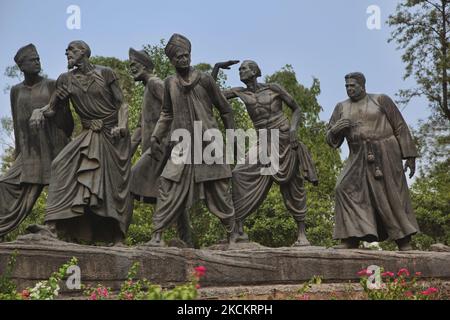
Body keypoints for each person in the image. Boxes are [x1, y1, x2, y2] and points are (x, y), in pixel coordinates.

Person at [30, 40, 133, 244]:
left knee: (112, 184)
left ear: (84, 52)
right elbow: (51, 110)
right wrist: (40, 111)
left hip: (112, 134)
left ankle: (116, 234)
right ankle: (52, 226)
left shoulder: (106, 73)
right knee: (60, 165)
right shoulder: (65, 80)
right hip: (87, 133)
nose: (66, 52)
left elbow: (122, 104)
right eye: (66, 50)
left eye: (71, 50)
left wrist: (122, 126)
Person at [213, 60, 318, 246]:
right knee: (239, 174)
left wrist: (294, 128)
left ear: (254, 72)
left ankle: (302, 234)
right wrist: (216, 69)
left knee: (293, 185)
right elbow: (211, 94)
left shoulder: (274, 88)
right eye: (239, 69)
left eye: (243, 68)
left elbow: (297, 109)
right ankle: (238, 229)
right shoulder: (240, 92)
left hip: (284, 137)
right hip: (262, 140)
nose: (240, 71)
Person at [147, 34, 236, 246]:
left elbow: (225, 109)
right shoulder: (169, 83)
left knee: (219, 191)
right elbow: (166, 113)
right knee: (167, 184)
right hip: (182, 144)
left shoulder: (205, 79)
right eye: (178, 57)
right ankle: (157, 235)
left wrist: (231, 138)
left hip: (208, 142)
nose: (183, 60)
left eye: (186, 55)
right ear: (172, 60)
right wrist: (155, 136)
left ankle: (233, 235)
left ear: (190, 55)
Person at [327, 72, 419, 251]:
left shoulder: (381, 100)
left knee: (390, 195)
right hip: (357, 154)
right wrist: (335, 130)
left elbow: (400, 126)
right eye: (347, 86)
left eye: (352, 85)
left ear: (362, 85)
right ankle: (351, 237)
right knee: (342, 188)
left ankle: (403, 240)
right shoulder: (341, 107)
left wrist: (409, 155)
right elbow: (332, 141)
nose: (349, 89)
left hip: (385, 152)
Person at [0, 44, 73, 237]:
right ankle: (3, 226)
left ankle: (54, 229)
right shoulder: (16, 91)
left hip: (53, 147)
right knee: (5, 183)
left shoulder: (51, 85)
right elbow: (17, 125)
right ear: (22, 66)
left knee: (53, 185)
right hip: (29, 152)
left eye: (38, 58)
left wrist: (63, 105)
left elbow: (67, 125)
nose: (37, 62)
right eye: (32, 60)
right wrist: (17, 156)